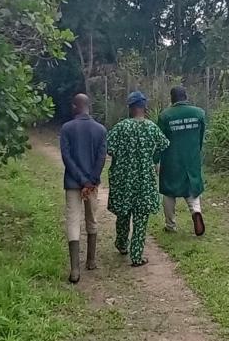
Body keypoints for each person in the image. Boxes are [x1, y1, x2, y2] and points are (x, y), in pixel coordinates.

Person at [106, 91, 169, 266]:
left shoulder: (121, 127)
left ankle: (121, 243)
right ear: (144, 108)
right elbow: (164, 145)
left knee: (123, 213)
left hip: (123, 179)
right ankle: (136, 255)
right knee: (141, 217)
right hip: (144, 179)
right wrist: (151, 157)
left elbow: (108, 148)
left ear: (130, 108)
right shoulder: (151, 127)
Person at [59, 93, 106, 283]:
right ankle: (91, 260)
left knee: (73, 220)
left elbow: (66, 157)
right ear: (89, 107)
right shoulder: (100, 130)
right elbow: (101, 158)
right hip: (92, 185)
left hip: (72, 183)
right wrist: (90, 181)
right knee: (91, 219)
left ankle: (75, 270)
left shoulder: (67, 128)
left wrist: (80, 179)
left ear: (74, 107)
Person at [158, 86, 208, 236]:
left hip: (171, 160)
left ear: (172, 98)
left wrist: (156, 160)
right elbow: (200, 138)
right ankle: (196, 211)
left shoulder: (165, 116)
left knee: (168, 192)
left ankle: (170, 225)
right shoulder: (199, 113)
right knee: (192, 187)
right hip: (191, 158)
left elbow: (159, 141)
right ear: (186, 96)